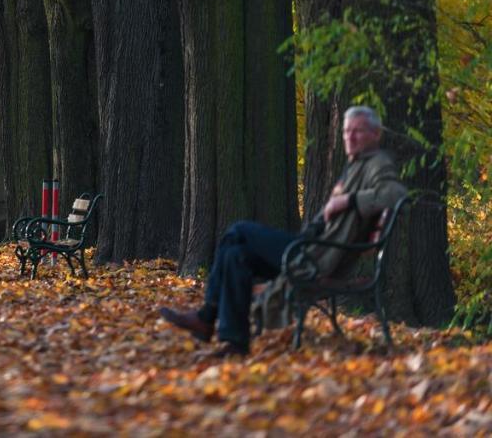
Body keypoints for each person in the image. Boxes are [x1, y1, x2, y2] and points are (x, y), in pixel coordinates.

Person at [158, 105, 407, 357]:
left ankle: (206, 316)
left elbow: (395, 193)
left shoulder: (377, 162)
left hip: (318, 257)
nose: (350, 137)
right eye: (346, 131)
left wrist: (347, 200)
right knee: (235, 254)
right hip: (313, 247)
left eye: (358, 131)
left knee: (239, 230)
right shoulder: (356, 166)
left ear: (375, 134)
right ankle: (234, 343)